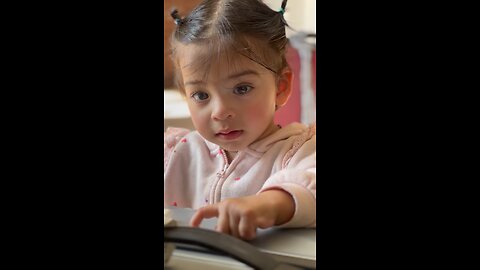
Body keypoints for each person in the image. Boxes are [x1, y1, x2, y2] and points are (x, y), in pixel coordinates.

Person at [164, 0, 315, 240]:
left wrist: (268, 204)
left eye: (242, 88)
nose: (220, 112)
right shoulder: (174, 154)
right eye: (201, 95)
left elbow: (311, 185)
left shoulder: (299, 152)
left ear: (281, 87)